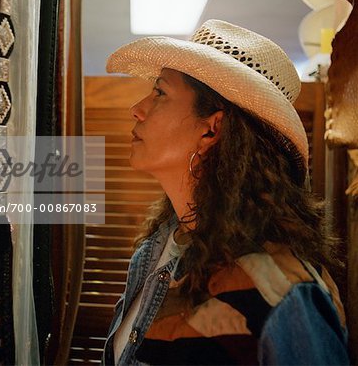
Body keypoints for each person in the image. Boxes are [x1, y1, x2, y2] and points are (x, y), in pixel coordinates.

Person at [101, 20, 349, 365]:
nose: (137, 109)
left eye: (160, 92)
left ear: (212, 129)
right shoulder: (155, 251)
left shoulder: (281, 290)